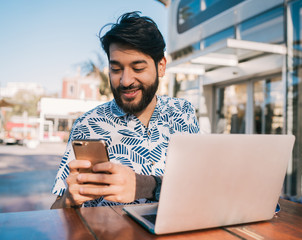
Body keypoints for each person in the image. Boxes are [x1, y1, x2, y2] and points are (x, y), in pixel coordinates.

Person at [51, 11, 200, 209]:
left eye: (138, 68)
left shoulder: (183, 112)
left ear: (161, 66)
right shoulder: (87, 124)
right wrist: (69, 199)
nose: (125, 81)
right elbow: (55, 211)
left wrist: (146, 186)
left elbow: (200, 186)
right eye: (116, 69)